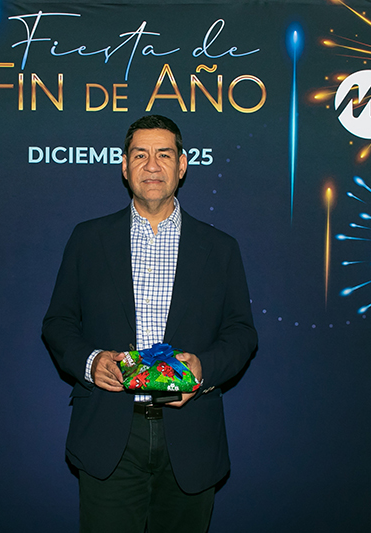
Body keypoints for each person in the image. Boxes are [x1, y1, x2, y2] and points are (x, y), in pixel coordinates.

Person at [42, 115, 257, 533]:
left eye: (164, 154)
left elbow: (242, 333)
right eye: (140, 155)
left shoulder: (220, 248)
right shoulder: (88, 239)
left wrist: (203, 370)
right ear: (125, 167)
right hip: (109, 434)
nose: (152, 165)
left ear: (182, 165)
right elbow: (58, 322)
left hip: (191, 438)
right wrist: (90, 361)